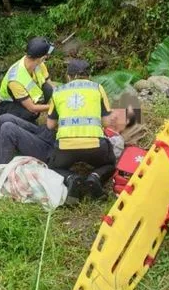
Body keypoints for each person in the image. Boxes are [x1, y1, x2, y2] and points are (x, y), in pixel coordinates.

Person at [46, 59, 116, 199]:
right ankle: (95, 177)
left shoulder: (58, 91)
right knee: (110, 163)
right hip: (95, 146)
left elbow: (50, 125)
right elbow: (107, 122)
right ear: (88, 75)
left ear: (68, 76)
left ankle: (71, 178)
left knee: (53, 167)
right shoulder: (97, 88)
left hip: (65, 148)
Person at [0, 37, 54, 123]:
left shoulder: (39, 64)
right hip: (7, 105)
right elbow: (32, 108)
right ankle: (22, 123)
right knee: (30, 113)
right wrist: (54, 107)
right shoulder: (15, 79)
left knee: (48, 89)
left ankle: (31, 115)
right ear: (41, 58)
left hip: (24, 98)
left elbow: (51, 85)